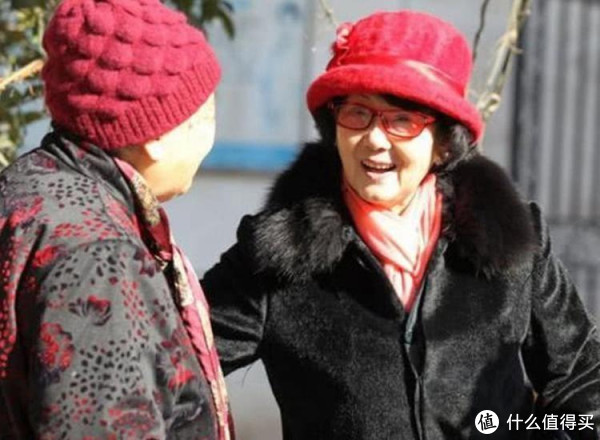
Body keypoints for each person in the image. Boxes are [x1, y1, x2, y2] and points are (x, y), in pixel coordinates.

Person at [202, 10, 600, 440]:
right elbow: (176, 369)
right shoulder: (277, 252)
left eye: (402, 121)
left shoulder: (512, 239)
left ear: (444, 145)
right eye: (357, 113)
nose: (375, 139)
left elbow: (583, 381)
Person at [0, 0, 232, 438]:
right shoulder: (100, 257)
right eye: (205, 118)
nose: (210, 138)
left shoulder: (24, 188)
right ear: (158, 136)